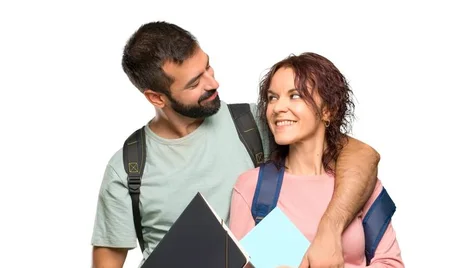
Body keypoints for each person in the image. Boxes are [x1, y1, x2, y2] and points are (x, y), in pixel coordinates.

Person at [91, 21, 381, 268]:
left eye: (208, 67)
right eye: (194, 83)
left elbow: (361, 155)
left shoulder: (256, 123)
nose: (213, 83)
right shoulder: (128, 169)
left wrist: (330, 228)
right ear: (157, 98)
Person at [228, 52, 404, 267]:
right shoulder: (251, 186)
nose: (278, 107)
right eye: (273, 97)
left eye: (295, 95)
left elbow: (391, 263)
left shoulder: (360, 184)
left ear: (328, 110)